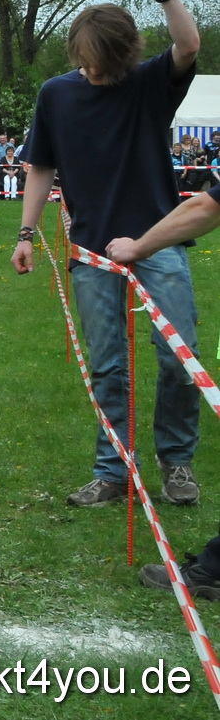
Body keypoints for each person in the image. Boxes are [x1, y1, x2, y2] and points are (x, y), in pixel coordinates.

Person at [12, 0, 203, 510]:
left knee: (178, 354)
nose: (98, 72)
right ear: (77, 52)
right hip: (93, 248)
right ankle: (113, 470)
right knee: (107, 364)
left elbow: (189, 45)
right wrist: (26, 235)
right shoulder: (57, 94)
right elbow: (41, 166)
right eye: (90, 61)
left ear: (125, 54)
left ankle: (177, 463)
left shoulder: (148, 84)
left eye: (107, 62)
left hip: (158, 240)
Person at [106, 185, 220, 594]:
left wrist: (139, 246)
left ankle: (215, 568)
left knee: (181, 360)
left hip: (144, 238)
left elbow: (207, 207)